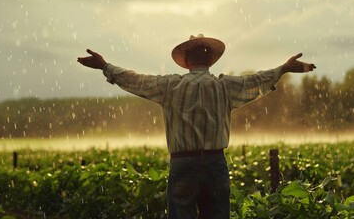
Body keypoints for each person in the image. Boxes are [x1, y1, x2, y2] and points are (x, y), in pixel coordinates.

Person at [77, 34, 316, 219]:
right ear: (210, 60)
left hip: (182, 164)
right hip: (215, 163)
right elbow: (257, 81)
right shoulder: (225, 87)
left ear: (186, 61)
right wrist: (283, 68)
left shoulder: (170, 86)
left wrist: (105, 66)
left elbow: (136, 80)